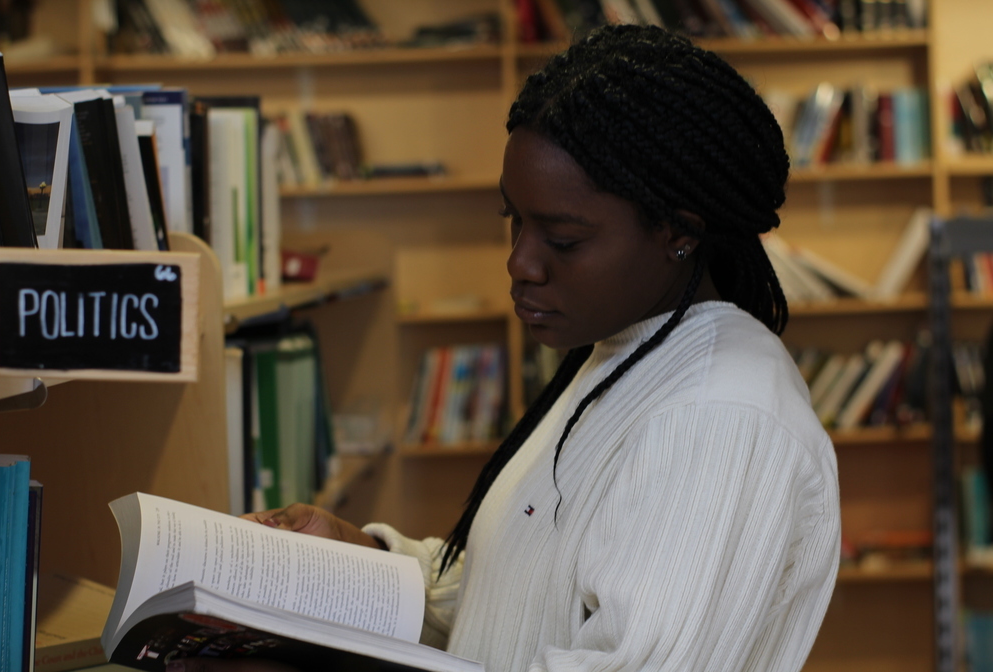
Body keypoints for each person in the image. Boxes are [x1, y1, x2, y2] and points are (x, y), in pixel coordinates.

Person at [187, 23, 841, 672]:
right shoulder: (624, 353)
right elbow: (517, 599)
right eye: (514, 221)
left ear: (680, 233)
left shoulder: (717, 418)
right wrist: (361, 560)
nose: (521, 263)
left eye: (561, 240)